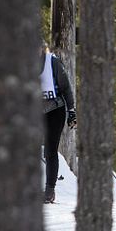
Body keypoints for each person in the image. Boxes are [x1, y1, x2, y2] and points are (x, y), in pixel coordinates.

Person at [40, 41, 76, 204]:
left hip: (55, 109)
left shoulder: (52, 62)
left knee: (50, 150)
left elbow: (66, 88)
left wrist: (72, 112)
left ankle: (49, 191)